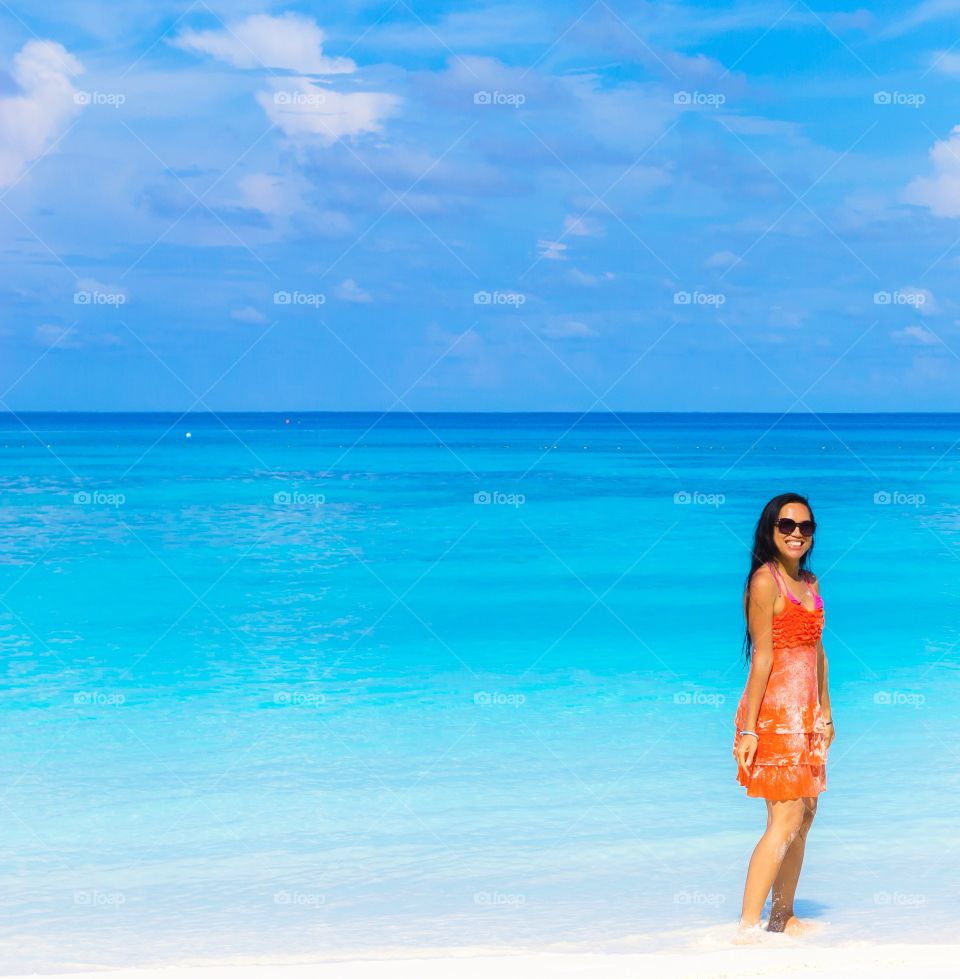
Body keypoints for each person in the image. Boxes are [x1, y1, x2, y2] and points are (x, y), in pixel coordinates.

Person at [732, 492, 835, 938]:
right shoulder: (764, 582)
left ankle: (782, 916)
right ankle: (747, 929)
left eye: (805, 527)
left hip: (806, 715)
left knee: (805, 815)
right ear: (770, 530)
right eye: (787, 526)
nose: (796, 534)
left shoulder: (810, 583)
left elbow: (818, 652)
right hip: (776, 716)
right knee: (785, 819)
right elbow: (761, 659)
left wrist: (826, 713)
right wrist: (750, 729)